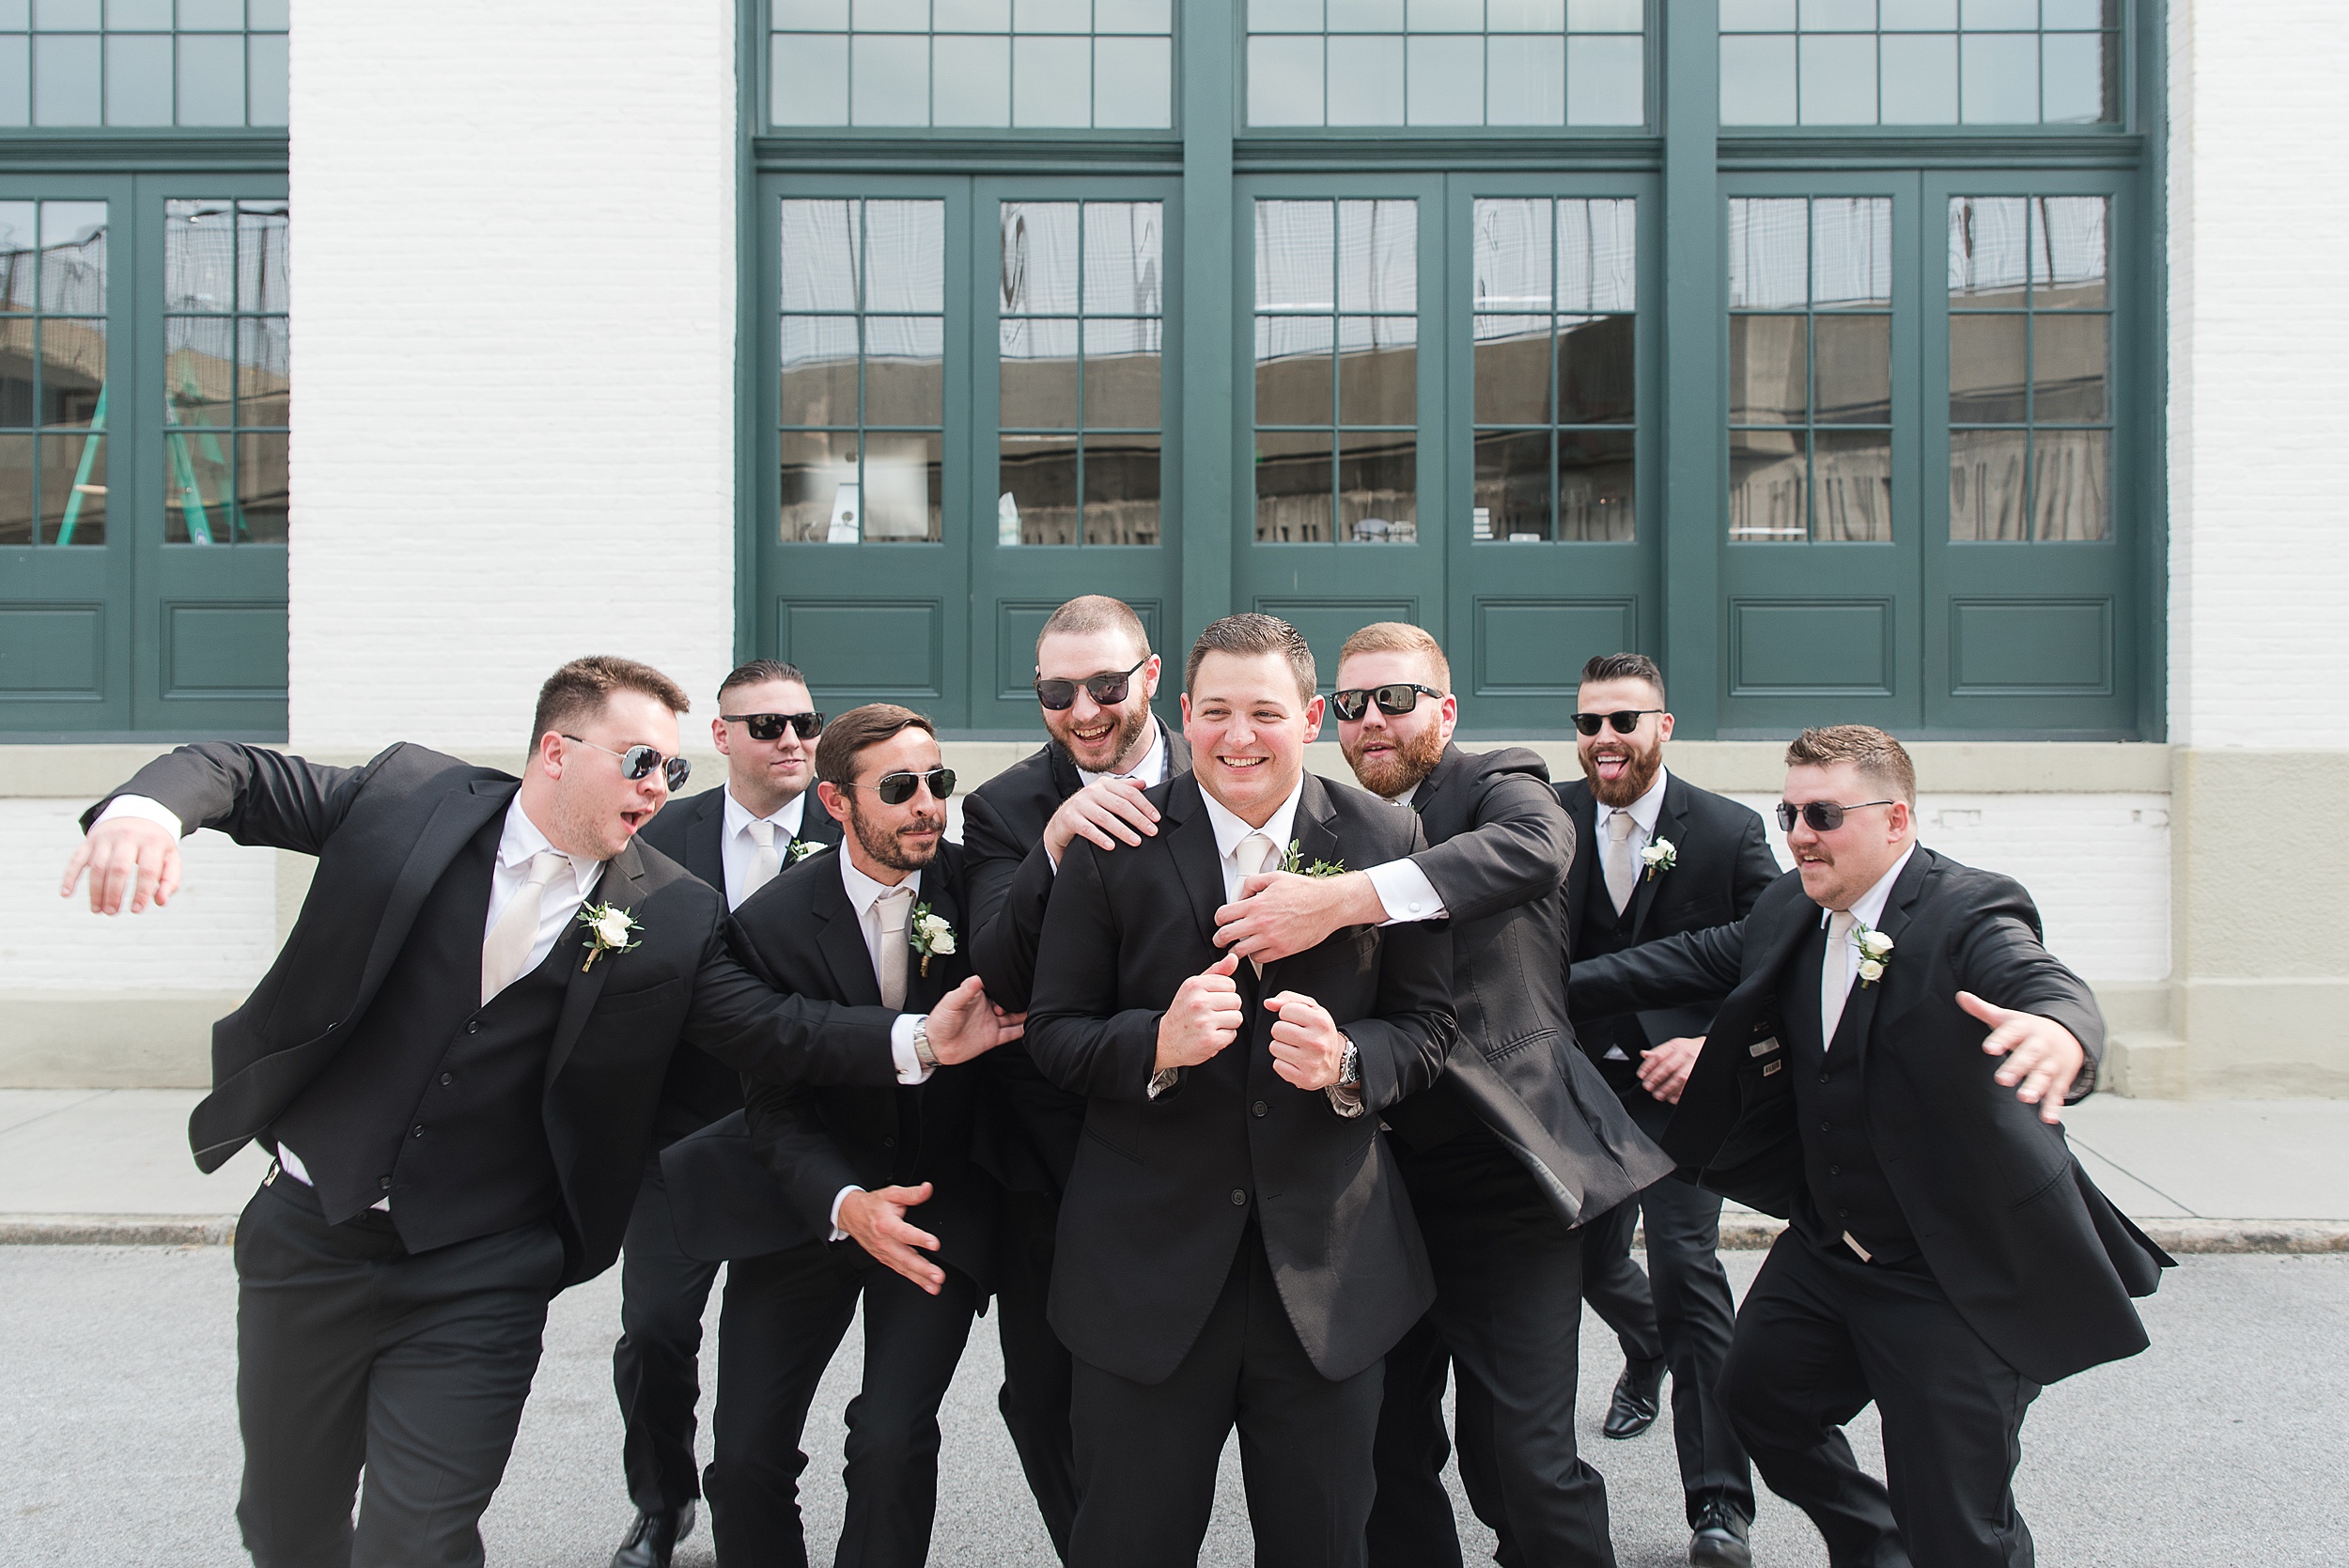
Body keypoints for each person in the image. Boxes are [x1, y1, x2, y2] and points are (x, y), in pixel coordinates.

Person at [57, 656, 1021, 1568]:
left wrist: (922, 1043)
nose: (658, 785)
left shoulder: (673, 911)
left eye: (672, 767)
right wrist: (147, 811)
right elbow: (234, 771)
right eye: (639, 760)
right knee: (285, 1520)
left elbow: (766, 1026)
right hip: (312, 1230)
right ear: (557, 750)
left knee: (421, 1535)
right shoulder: (410, 804)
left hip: (483, 1262)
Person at [1567, 724, 2174, 1568]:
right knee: (1758, 1402)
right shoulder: (1792, 905)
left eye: (1822, 813)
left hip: (1949, 1267)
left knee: (1959, 1525)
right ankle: (1875, 1545)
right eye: (1787, 812)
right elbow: (1691, 958)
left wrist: (2061, 1034)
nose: (1799, 834)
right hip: (1829, 1247)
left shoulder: (1968, 908)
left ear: (1896, 819)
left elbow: (2039, 979)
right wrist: (1541, 989)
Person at [1209, 622, 1670, 1568]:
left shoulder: (1498, 783)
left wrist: (1344, 897)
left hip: (1505, 1174)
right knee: (1380, 1452)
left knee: (1523, 1464)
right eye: (1351, 705)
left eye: (1396, 698)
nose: (1372, 720)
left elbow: (1541, 848)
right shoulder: (1321, 813)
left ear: (1445, 710)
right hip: (1368, 1182)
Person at [1024, 613, 1456, 1568]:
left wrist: (1348, 1060)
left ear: (1307, 717)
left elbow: (1429, 1028)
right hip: (1143, 1276)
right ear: (1184, 712)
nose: (1238, 734)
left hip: (1327, 1281)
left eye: (1264, 711)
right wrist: (1157, 1044)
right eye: (1215, 711)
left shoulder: (1388, 834)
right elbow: (1052, 1035)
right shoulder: (1116, 838)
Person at [663, 703, 1002, 1568]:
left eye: (938, 781)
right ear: (836, 801)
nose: (927, 803)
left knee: (888, 1441)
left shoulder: (981, 890)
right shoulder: (773, 922)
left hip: (938, 1205)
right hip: (810, 1205)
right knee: (741, 1460)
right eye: (898, 787)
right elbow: (773, 1107)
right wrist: (845, 1202)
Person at [961, 594, 1192, 1556]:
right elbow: (998, 973)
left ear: (1149, 676)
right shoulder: (1004, 807)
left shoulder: (1220, 766)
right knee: (1048, 1387)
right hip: (1060, 1148)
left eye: (1105, 685)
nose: (1084, 710)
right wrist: (1051, 844)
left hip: (1220, 1131)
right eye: (1058, 692)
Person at [608, 660, 841, 1568]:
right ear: (721, 736)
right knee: (655, 1330)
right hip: (681, 1135)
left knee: (771, 1357)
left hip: (811, 1130)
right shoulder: (659, 831)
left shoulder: (851, 817)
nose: (790, 739)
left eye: (804, 722)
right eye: (767, 725)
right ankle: (662, 1502)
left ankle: (755, 1495)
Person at [1555, 652, 1780, 1568]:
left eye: (1623, 720)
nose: (1604, 738)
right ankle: (1640, 1347)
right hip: (1572, 1094)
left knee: (1689, 1277)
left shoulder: (1727, 831)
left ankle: (1719, 1506)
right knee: (1587, 1264)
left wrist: (1712, 1045)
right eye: (1589, 723)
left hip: (1681, 1097)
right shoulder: (1547, 821)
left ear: (1663, 726)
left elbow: (1778, 956)